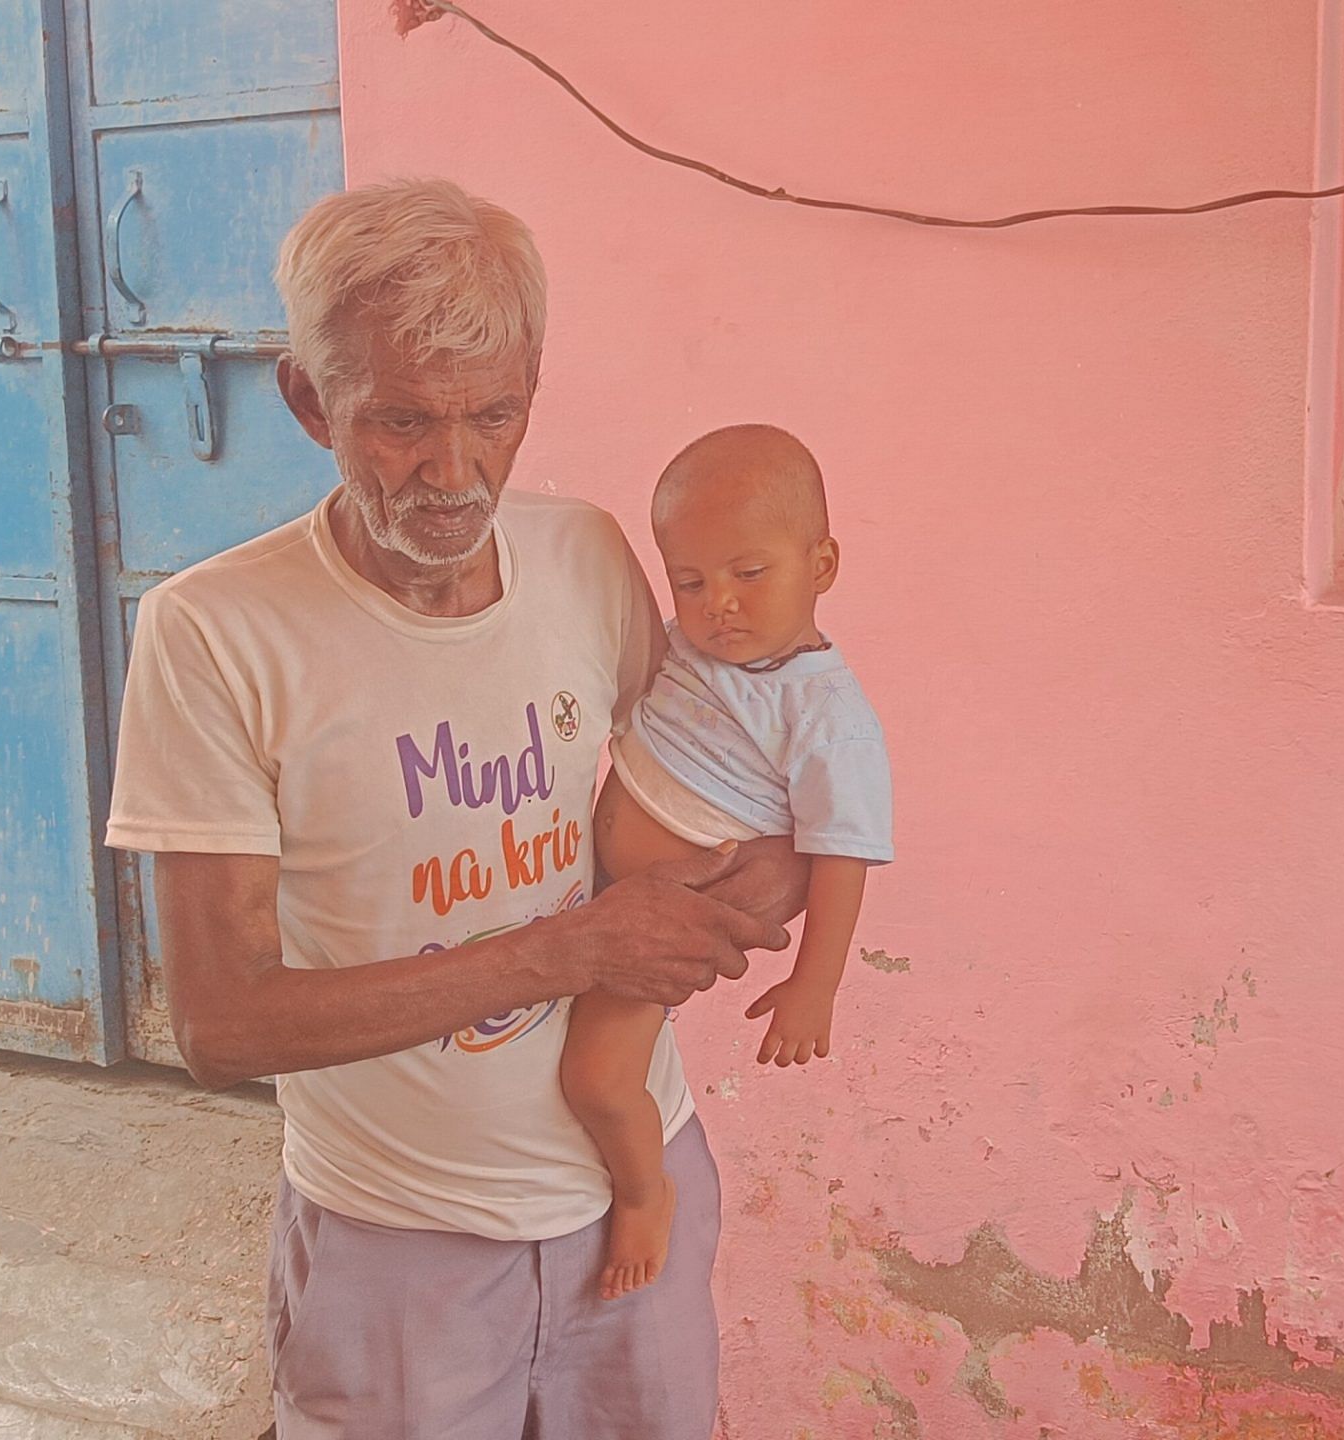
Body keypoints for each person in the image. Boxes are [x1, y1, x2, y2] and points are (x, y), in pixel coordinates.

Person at [102, 177, 807, 1439]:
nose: (452, 470)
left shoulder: (587, 556)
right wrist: (570, 948)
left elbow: (716, 793)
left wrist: (767, 876)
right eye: (401, 423)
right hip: (395, 1245)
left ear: (532, 388)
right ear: (310, 402)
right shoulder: (214, 634)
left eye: (493, 415)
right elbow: (222, 1023)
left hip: (634, 1189)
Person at [563, 424, 894, 1300]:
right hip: (589, 896)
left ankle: (644, 1196)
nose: (720, 604)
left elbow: (842, 856)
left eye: (751, 575)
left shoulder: (827, 714)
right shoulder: (685, 646)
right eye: (692, 581)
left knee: (596, 1077)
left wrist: (816, 986)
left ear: (820, 564)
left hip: (662, 928)